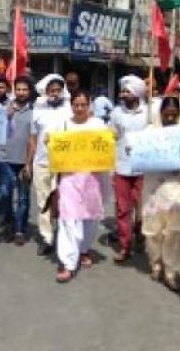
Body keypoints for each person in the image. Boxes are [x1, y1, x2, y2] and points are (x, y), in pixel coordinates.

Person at [54, 90, 106, 283]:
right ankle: (68, 263)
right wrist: (49, 141)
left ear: (89, 105)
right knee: (69, 219)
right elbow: (55, 146)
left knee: (90, 218)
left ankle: (84, 249)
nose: (80, 108)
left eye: (84, 105)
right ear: (71, 106)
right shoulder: (64, 125)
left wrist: (113, 136)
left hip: (91, 177)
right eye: (76, 105)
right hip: (69, 177)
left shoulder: (98, 125)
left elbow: (107, 145)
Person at [141, 96, 180, 292]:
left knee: (176, 232)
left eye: (174, 114)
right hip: (155, 189)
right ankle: (156, 263)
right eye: (166, 113)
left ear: (179, 114)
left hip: (179, 186)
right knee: (153, 231)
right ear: (160, 113)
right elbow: (137, 153)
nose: (170, 117)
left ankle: (171, 272)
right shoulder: (149, 132)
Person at [24, 76, 71, 256]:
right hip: (42, 162)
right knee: (43, 201)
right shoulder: (38, 110)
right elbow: (33, 139)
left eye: (58, 90)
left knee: (62, 201)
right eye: (52, 90)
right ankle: (47, 237)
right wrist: (28, 163)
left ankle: (64, 236)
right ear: (46, 91)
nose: (55, 93)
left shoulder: (69, 109)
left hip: (63, 164)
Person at [110, 75, 149, 263]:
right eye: (123, 91)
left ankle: (140, 232)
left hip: (143, 167)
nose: (123, 94)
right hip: (121, 166)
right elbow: (112, 136)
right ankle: (125, 246)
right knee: (122, 208)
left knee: (142, 208)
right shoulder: (116, 113)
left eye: (128, 91)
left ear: (137, 93)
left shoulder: (148, 113)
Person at [0, 76, 33, 245]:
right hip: (5, 159)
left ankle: (20, 229)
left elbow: (34, 140)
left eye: (24, 89)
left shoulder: (35, 112)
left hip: (25, 161)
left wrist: (29, 163)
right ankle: (8, 224)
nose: (21, 92)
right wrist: (6, 117)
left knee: (23, 198)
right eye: (18, 89)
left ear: (29, 92)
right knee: (5, 194)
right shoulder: (5, 108)